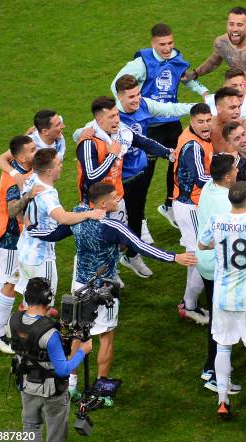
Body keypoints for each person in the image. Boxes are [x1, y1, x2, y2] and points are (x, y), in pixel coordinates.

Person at [28, 182, 197, 402]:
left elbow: (53, 234)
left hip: (79, 286)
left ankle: (70, 384)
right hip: (103, 290)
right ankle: (101, 386)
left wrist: (30, 229)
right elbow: (141, 246)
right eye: (115, 197)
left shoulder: (77, 216)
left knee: (78, 335)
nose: (118, 200)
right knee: (106, 337)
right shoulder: (112, 226)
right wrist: (174, 257)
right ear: (102, 203)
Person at [111, 23, 209, 228]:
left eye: (170, 43)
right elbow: (116, 84)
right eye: (162, 44)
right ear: (152, 44)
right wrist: (127, 109)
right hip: (149, 126)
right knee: (144, 174)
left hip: (171, 122)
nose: (167, 48)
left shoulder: (175, 59)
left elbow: (185, 78)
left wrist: (204, 92)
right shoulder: (141, 63)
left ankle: (169, 205)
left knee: (179, 161)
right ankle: (140, 219)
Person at [198, 181, 246, 422]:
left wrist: (220, 246)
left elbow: (202, 244)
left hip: (221, 296)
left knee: (223, 346)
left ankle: (222, 400)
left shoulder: (216, 220)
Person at [74, 96, 173, 278]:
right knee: (98, 245)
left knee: (120, 241)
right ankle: (93, 280)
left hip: (116, 199)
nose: (116, 120)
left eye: (117, 114)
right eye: (111, 117)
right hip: (94, 206)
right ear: (98, 120)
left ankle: (115, 269)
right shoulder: (89, 143)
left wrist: (168, 153)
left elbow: (143, 142)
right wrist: (112, 155)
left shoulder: (121, 132)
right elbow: (92, 176)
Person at [8, 277, 93, 442]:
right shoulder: (50, 334)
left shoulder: (13, 321)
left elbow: (29, 329)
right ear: (48, 298)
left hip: (26, 385)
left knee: (31, 427)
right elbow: (63, 370)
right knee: (56, 433)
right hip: (52, 392)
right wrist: (83, 351)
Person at [114, 73, 194, 243]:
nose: (136, 100)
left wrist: (197, 107)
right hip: (118, 174)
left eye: (138, 94)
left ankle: (133, 251)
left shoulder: (144, 104)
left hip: (138, 168)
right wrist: (82, 134)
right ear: (119, 97)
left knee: (137, 208)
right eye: (131, 97)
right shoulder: (112, 115)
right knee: (115, 219)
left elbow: (170, 110)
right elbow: (85, 131)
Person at [15, 148, 105, 298]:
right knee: (43, 302)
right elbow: (63, 218)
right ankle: (39, 320)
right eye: (58, 164)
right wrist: (90, 213)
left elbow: (21, 207)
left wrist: (23, 220)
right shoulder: (47, 195)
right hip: (41, 256)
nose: (61, 166)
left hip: (24, 250)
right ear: (49, 171)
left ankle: (18, 320)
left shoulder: (32, 178)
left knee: (29, 298)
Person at [0, 136, 37, 354]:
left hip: (9, 233)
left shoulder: (17, 168)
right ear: (22, 157)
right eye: (34, 149)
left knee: (7, 279)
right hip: (9, 236)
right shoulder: (14, 180)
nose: (38, 151)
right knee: (10, 280)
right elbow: (12, 210)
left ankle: (1, 322)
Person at [172, 103, 214, 324]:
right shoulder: (193, 146)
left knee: (196, 256)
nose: (206, 125)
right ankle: (189, 306)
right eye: (201, 121)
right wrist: (225, 179)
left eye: (208, 120)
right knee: (200, 257)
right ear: (192, 121)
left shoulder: (196, 138)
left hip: (192, 204)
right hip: (190, 207)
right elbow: (200, 178)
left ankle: (189, 303)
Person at [188, 7, 246, 102]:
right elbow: (213, 62)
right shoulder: (221, 43)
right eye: (231, 24)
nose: (235, 29)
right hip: (238, 97)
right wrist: (195, 74)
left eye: (239, 25)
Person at [0, 110, 66, 185]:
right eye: (58, 125)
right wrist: (16, 174)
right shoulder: (31, 144)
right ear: (45, 131)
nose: (63, 126)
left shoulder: (57, 136)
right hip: (18, 183)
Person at [210, 86, 246, 153]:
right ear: (218, 109)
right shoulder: (207, 126)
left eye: (239, 107)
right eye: (232, 108)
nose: (238, 112)